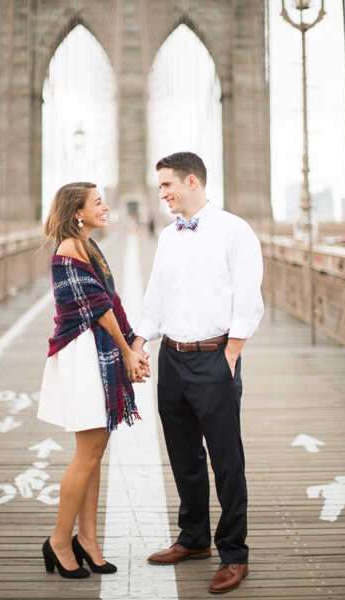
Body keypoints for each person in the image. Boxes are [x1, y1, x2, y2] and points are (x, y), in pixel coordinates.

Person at [131, 152, 264, 595]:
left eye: (167, 185)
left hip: (214, 358)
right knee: (184, 456)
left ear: (192, 181)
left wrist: (233, 352)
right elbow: (156, 294)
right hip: (171, 358)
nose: (163, 194)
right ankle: (193, 539)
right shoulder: (169, 236)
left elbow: (248, 295)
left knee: (227, 460)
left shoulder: (234, 230)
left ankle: (233, 553)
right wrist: (140, 341)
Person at [36, 182, 150, 579]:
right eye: (98, 203)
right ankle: (59, 539)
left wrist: (134, 343)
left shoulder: (88, 246)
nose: (106, 207)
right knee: (88, 452)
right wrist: (127, 351)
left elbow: (111, 305)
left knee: (94, 451)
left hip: (92, 354)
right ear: (77, 212)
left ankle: (88, 539)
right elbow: (101, 310)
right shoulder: (69, 250)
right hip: (82, 355)